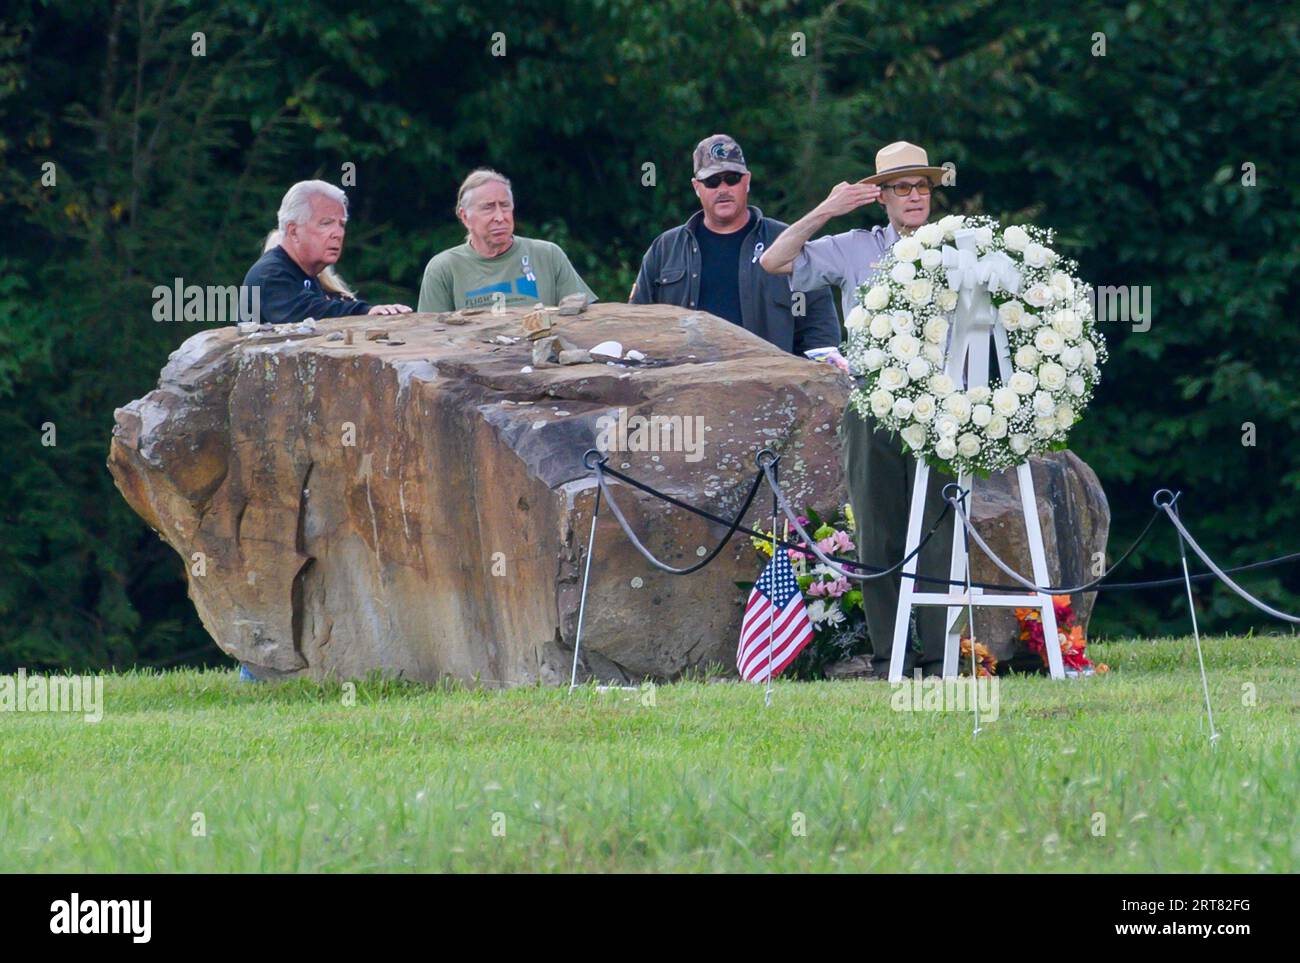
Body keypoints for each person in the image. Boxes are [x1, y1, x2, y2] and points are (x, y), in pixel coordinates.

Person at [760, 141, 956, 679]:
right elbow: (774, 261)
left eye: (922, 186)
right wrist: (827, 208)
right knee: (878, 534)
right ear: (882, 197)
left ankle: (942, 662)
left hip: (946, 408)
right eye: (901, 187)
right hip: (873, 403)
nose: (915, 196)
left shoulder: (961, 245)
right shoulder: (853, 246)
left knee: (940, 533)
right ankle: (892, 659)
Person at [630, 134, 844, 368]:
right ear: (696, 187)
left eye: (732, 179)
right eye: (712, 181)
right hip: (684, 386)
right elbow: (638, 326)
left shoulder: (786, 243)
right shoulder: (665, 248)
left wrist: (808, 381)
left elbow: (819, 329)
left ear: (747, 181)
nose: (723, 189)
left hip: (770, 387)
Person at [417, 168, 595, 312]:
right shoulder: (443, 268)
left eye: (504, 206)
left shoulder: (547, 255)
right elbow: (429, 333)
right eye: (488, 208)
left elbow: (584, 316)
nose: (500, 217)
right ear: (465, 217)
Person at [243, 180, 411, 325]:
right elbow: (308, 314)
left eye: (341, 225)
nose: (338, 234)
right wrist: (366, 311)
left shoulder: (308, 274)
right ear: (293, 232)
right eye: (326, 223)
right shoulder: (269, 275)